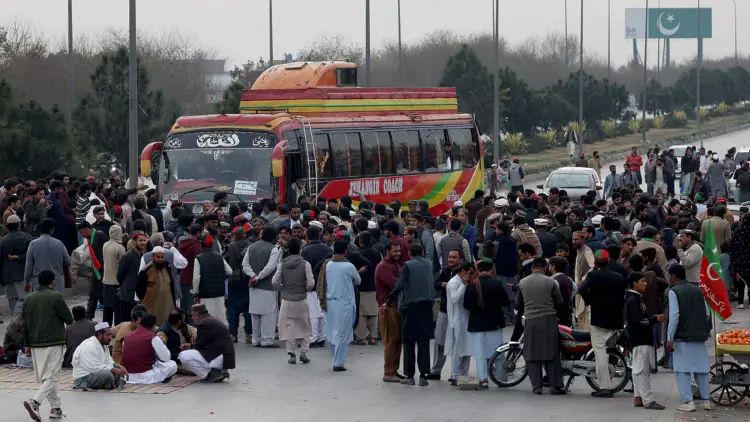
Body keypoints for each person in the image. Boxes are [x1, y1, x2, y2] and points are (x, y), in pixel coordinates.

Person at [21, 270, 74, 421]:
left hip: (35, 343)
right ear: (53, 281)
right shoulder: (55, 296)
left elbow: (24, 324)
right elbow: (69, 319)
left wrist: (26, 345)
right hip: (54, 342)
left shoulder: (28, 298)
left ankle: (56, 408)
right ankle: (35, 402)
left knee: (49, 377)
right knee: (52, 376)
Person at [665, 265, 715, 412]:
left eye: (669, 275)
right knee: (701, 369)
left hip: (683, 337)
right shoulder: (698, 289)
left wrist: (669, 337)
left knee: (682, 370)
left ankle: (688, 402)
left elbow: (674, 316)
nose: (668, 278)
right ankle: (706, 401)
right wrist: (706, 330)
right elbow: (706, 313)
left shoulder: (673, 291)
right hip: (700, 336)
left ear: (674, 276)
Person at [578, 250, 626, 398]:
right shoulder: (618, 277)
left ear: (596, 263)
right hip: (616, 319)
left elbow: (581, 289)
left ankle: (605, 386)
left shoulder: (594, 275)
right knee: (611, 348)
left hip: (599, 319)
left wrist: (589, 301)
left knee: (599, 351)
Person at [516, 258, 565, 395]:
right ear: (546, 267)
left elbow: (517, 302)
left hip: (530, 320)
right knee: (551, 352)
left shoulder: (523, 282)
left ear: (532, 267)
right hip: (548, 319)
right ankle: (555, 386)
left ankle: (537, 387)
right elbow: (559, 301)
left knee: (532, 353)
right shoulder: (551, 282)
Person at [388, 242, 435, 386]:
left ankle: (410, 376)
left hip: (411, 307)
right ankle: (423, 376)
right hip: (427, 307)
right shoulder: (429, 264)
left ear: (409, 254)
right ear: (422, 252)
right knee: (424, 342)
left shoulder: (407, 266)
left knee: (409, 342)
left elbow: (400, 285)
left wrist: (391, 298)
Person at [464, 260, 509, 388]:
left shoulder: (472, 285)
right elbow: (505, 302)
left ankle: (483, 379)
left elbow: (466, 305)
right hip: (494, 323)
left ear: (478, 270)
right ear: (491, 270)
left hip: (477, 324)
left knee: (480, 354)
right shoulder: (497, 284)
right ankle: (502, 378)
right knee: (498, 352)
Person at [317, 240, 361, 371]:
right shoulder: (349, 266)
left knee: (331, 331)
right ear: (345, 251)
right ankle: (338, 362)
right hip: (344, 303)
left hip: (329, 302)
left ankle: (335, 359)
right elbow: (358, 280)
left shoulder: (328, 264)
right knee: (343, 333)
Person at [625, 272, 666, 410]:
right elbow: (637, 321)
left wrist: (652, 318)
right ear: (634, 283)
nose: (645, 283)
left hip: (639, 339)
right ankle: (648, 400)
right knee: (643, 370)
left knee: (637, 369)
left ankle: (638, 397)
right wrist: (654, 319)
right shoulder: (634, 300)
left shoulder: (636, 298)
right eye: (642, 281)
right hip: (641, 338)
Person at [272, 238, 315, 365]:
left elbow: (274, 282)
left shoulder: (282, 264)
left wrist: (283, 288)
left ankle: (291, 353)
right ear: (300, 249)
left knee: (289, 326)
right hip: (301, 299)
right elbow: (311, 283)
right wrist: (304, 288)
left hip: (286, 300)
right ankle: (304, 351)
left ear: (288, 250)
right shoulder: (305, 264)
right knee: (305, 325)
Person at [243, 227, 281, 348]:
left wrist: (252, 275)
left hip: (253, 286)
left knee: (255, 313)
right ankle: (267, 340)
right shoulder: (274, 249)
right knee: (269, 314)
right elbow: (270, 267)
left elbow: (245, 264)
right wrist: (258, 277)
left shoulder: (251, 247)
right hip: (267, 286)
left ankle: (256, 340)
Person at [178, 304, 236, 383]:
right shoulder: (210, 319)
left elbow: (199, 345)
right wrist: (191, 345)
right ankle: (216, 371)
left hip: (220, 357)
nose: (192, 318)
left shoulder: (203, 323)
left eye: (192, 315)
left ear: (197, 314)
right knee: (194, 354)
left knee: (183, 355)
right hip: (224, 356)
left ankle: (210, 374)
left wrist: (190, 346)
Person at [121, 314, 178, 384]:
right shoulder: (153, 337)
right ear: (153, 326)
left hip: (128, 376)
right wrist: (162, 343)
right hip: (146, 377)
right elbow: (166, 358)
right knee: (172, 364)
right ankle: (161, 379)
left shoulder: (127, 337)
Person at [375, 241, 403, 382]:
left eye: (399, 251)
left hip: (395, 306)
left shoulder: (394, 265)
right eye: (395, 251)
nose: (398, 253)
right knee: (391, 340)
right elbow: (396, 285)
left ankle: (394, 370)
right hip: (387, 308)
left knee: (397, 340)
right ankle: (388, 372)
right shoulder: (384, 267)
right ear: (387, 251)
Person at [72, 322, 128, 390]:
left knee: (117, 370)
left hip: (95, 373)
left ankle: (109, 384)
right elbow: (94, 367)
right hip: (83, 379)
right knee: (107, 375)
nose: (110, 338)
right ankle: (109, 384)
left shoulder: (103, 344)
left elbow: (109, 362)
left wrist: (119, 366)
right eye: (108, 335)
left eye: (111, 335)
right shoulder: (90, 345)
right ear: (99, 334)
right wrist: (114, 370)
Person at [444, 263, 473, 385]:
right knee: (459, 348)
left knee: (467, 347)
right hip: (458, 320)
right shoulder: (453, 283)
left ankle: (464, 374)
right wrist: (464, 285)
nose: (471, 275)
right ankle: (455, 375)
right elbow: (455, 299)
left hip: (465, 318)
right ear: (463, 271)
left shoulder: (462, 282)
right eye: (470, 273)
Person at [192, 234, 232, 325]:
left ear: (201, 244)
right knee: (221, 318)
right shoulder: (219, 256)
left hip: (205, 293)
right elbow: (230, 271)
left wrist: (195, 292)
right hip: (219, 292)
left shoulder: (198, 258)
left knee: (207, 318)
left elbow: (196, 279)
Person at [24, 219, 71, 292]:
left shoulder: (33, 244)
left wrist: (26, 282)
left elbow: (28, 266)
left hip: (39, 283)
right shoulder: (59, 243)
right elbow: (67, 261)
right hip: (57, 283)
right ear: (51, 230)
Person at [224, 225, 252, 343]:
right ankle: (249, 335)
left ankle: (233, 334)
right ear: (244, 234)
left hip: (233, 281)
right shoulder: (251, 246)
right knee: (248, 309)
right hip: (248, 280)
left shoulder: (229, 247)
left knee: (232, 309)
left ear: (234, 236)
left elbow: (223, 260)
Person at [136, 246, 176, 326]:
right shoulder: (146, 270)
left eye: (162, 257)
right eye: (158, 257)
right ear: (153, 257)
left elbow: (171, 285)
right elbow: (139, 290)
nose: (160, 259)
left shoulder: (167, 267)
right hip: (152, 306)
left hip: (167, 304)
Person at [0, 214, 31, 315]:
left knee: (13, 301)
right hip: (22, 274)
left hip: (8, 276)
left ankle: (15, 323)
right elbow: (30, 255)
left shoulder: (3, 241)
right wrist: (19, 257)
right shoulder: (26, 237)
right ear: (18, 224)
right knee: (23, 300)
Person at [117, 232, 148, 322]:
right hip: (128, 295)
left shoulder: (143, 256)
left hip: (139, 294)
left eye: (144, 240)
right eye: (140, 240)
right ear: (134, 242)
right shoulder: (127, 256)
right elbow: (119, 275)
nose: (142, 243)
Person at [102, 224, 125, 326]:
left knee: (107, 308)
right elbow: (123, 264)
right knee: (118, 309)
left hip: (106, 281)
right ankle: (117, 329)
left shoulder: (105, 245)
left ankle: (105, 329)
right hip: (116, 282)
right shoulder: (120, 248)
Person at [178, 224, 202, 319]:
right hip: (192, 277)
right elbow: (198, 262)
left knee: (184, 304)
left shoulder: (182, 244)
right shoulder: (195, 246)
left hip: (183, 276)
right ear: (198, 232)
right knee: (192, 306)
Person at [572, 231, 594, 330]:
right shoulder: (579, 250)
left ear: (583, 239)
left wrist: (583, 279)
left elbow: (593, 267)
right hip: (579, 287)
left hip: (585, 288)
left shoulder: (587, 251)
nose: (574, 241)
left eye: (576, 239)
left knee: (585, 315)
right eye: (573, 239)